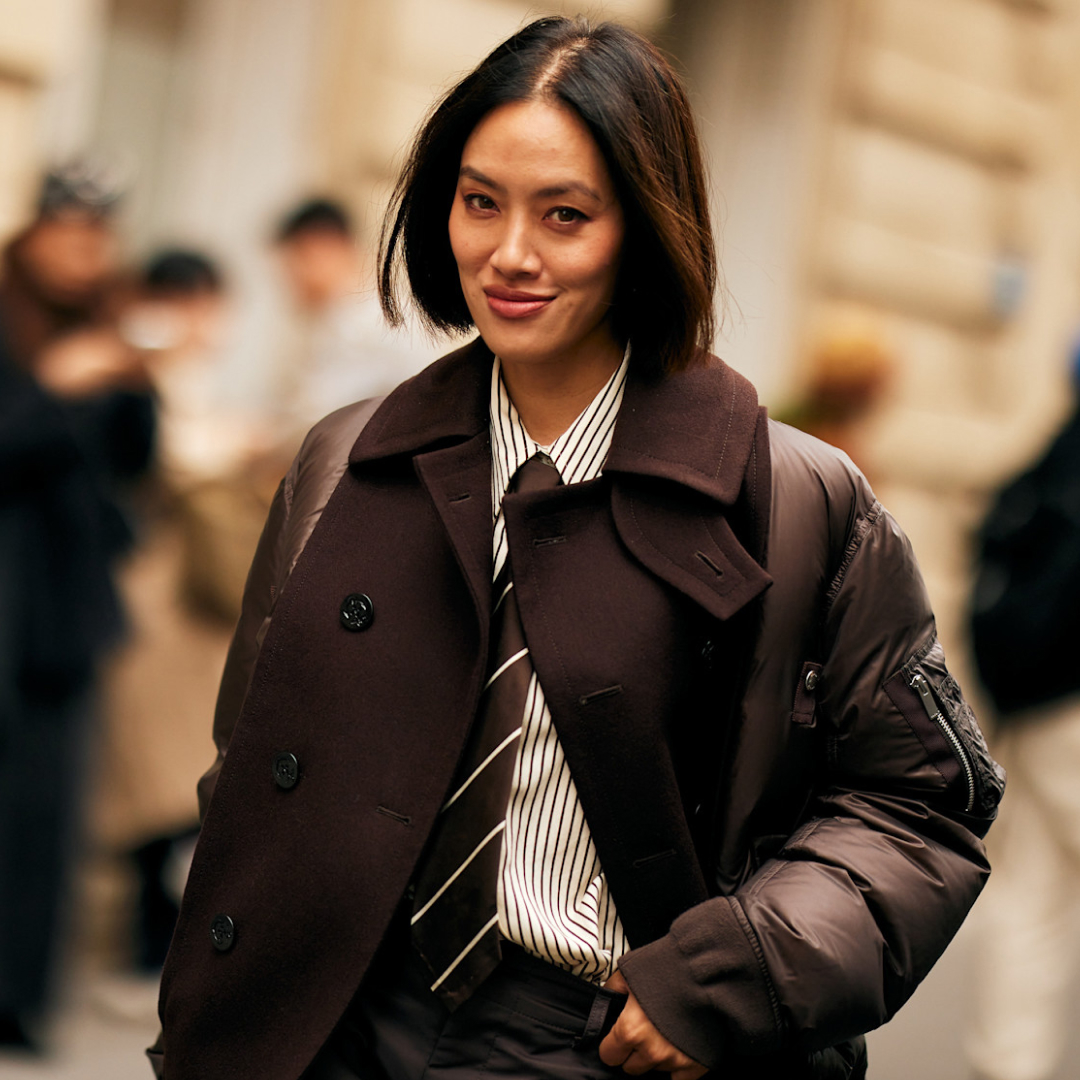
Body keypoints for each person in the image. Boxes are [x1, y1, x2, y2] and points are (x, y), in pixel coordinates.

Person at [153, 16, 1004, 1080]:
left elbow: (915, 805)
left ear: (646, 227)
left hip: (598, 1042)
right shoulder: (345, 461)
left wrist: (729, 976)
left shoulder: (795, 499)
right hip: (329, 1025)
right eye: (480, 202)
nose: (510, 254)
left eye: (565, 215)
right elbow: (247, 770)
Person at [0, 164, 154, 1048]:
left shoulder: (108, 323)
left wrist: (133, 378)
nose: (82, 252)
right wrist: (54, 388)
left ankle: (19, 999)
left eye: (97, 236)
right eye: (69, 231)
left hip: (61, 614)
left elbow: (132, 464)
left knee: (46, 812)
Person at [965, 355, 1080, 1080]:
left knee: (1033, 896)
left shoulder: (1058, 456)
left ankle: (1007, 1066)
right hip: (1067, 706)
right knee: (1035, 894)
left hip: (1042, 705)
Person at [271, 196, 433, 448]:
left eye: (292, 267)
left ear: (321, 249)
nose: (288, 282)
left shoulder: (377, 320)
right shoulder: (333, 319)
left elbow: (321, 413)